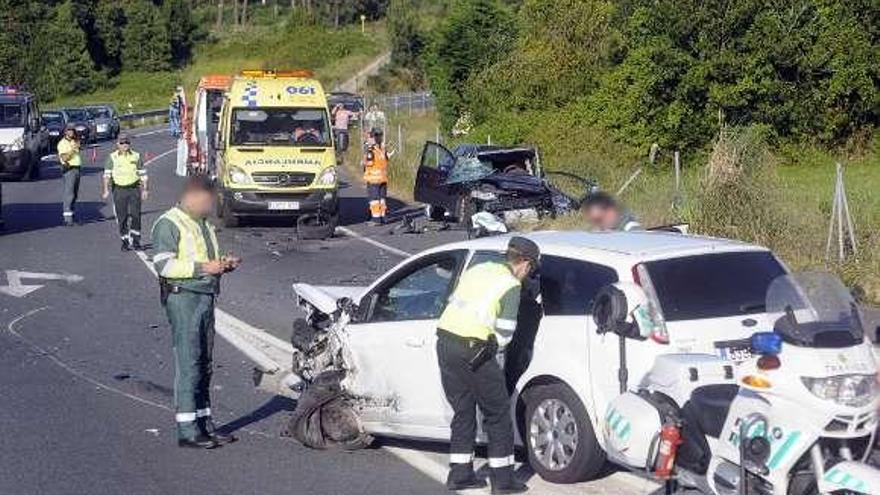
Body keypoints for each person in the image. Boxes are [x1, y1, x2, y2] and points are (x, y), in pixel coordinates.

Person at [435, 236, 539, 494]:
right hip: (475, 349)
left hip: (445, 342)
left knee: (463, 409)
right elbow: (504, 335)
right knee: (497, 413)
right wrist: (494, 346)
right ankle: (503, 482)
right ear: (524, 263)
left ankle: (460, 474)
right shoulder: (511, 285)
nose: (529, 275)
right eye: (531, 269)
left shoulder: (479, 268)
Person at [151, 176, 241, 449]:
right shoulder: (169, 223)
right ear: (191, 197)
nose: (210, 205)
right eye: (206, 200)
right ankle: (188, 430)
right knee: (189, 362)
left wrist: (225, 263)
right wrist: (204, 268)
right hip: (184, 298)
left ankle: (205, 424)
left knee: (205, 363)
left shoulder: (202, 223)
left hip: (205, 296)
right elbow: (163, 266)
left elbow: (207, 256)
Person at [102, 133, 148, 251]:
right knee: (122, 217)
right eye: (122, 143)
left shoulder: (136, 156)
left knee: (136, 215)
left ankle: (136, 241)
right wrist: (106, 189)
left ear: (129, 143)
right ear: (118, 144)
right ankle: (125, 241)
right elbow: (107, 175)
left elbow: (143, 174)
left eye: (126, 142)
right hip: (119, 190)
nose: (124, 145)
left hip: (134, 189)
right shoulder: (112, 157)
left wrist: (145, 190)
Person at [57, 124, 82, 226]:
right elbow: (64, 158)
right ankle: (67, 219)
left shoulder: (74, 141)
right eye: (69, 130)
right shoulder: (62, 143)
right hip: (69, 169)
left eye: (72, 130)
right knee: (69, 193)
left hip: (77, 169)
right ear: (65, 131)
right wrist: (73, 149)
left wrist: (76, 145)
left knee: (75, 194)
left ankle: (71, 214)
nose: (71, 132)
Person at [363, 127, 389, 225]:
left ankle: (376, 219)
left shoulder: (371, 150)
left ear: (373, 137)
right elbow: (385, 160)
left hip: (374, 179)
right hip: (383, 178)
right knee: (382, 199)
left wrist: (363, 162)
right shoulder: (382, 149)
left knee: (374, 200)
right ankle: (383, 217)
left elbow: (369, 163)